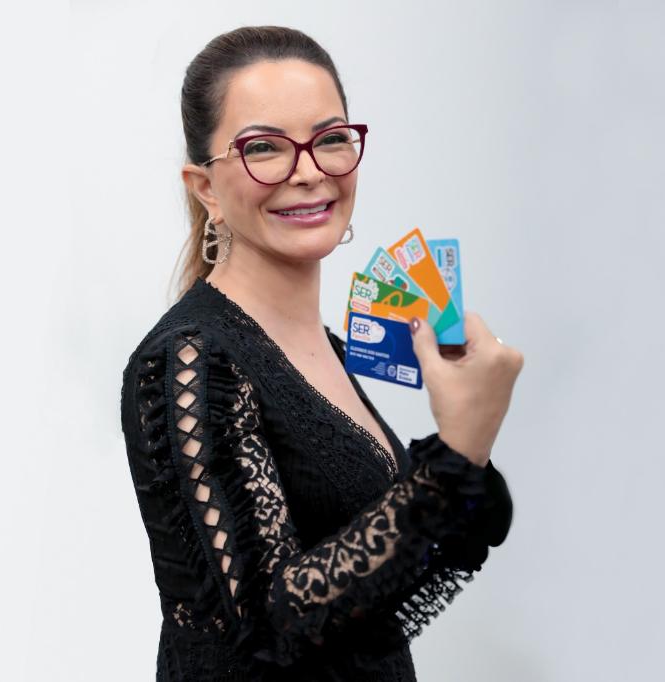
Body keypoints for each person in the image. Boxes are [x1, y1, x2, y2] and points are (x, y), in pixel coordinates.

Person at [119, 25, 524, 681]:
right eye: (263, 148)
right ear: (206, 188)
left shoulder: (325, 348)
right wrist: (456, 454)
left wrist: (468, 453)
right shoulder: (189, 360)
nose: (308, 171)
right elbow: (273, 625)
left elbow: (388, 579)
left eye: (330, 139)